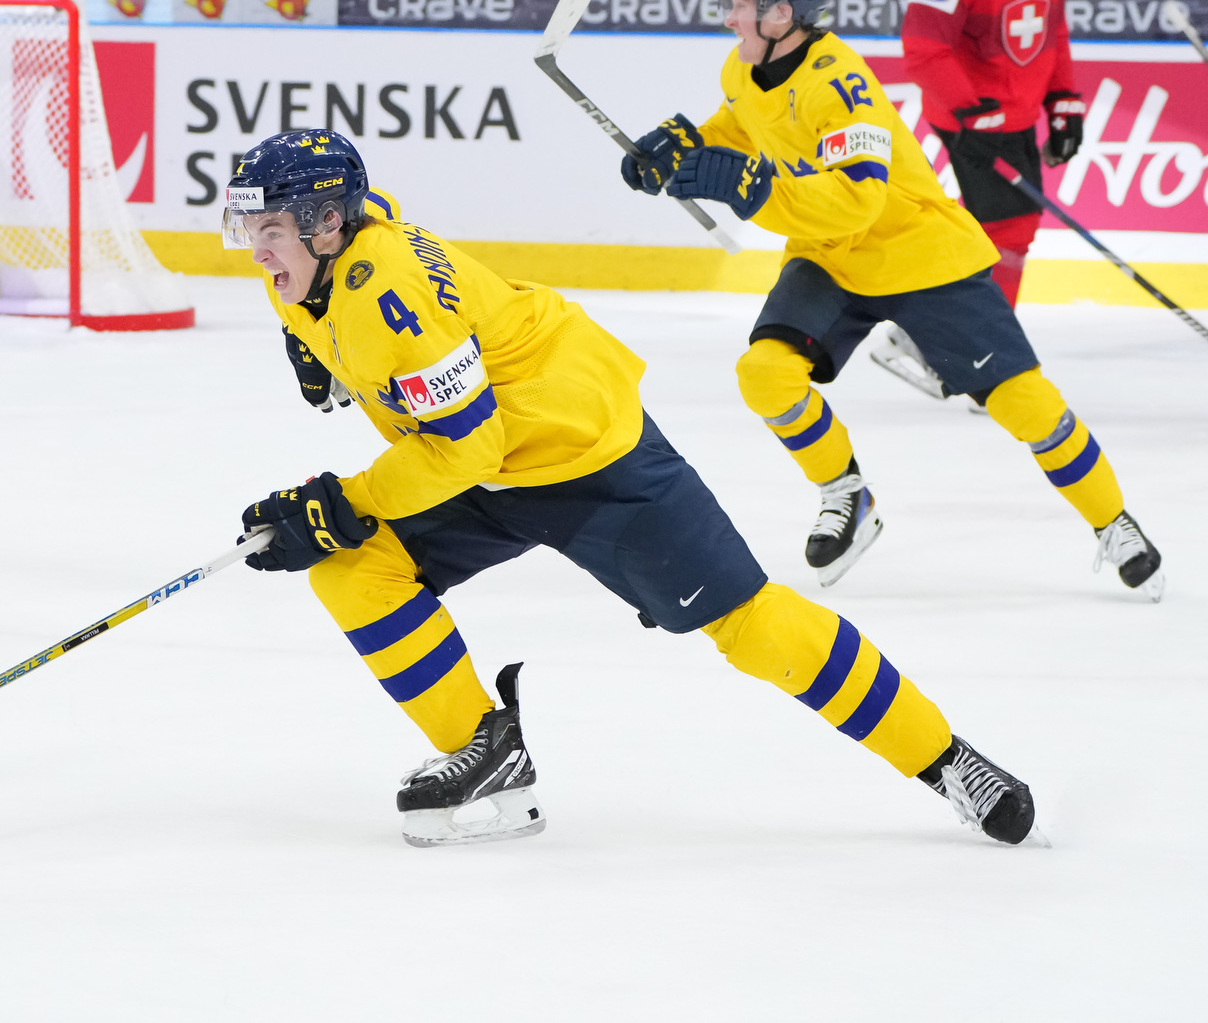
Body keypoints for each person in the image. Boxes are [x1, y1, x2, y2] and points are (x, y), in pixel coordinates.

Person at [221, 127, 1041, 850]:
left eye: (270, 231)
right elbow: (447, 409)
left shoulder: (385, 295)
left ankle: (944, 758)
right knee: (351, 566)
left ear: (330, 224)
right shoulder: (318, 259)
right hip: (489, 452)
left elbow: (467, 447)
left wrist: (347, 501)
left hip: (588, 456)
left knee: (750, 624)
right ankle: (488, 754)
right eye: (247, 229)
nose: (256, 250)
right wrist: (322, 368)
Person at [618, 0, 1162, 600]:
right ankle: (848, 494)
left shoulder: (838, 84)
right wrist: (685, 147)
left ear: (782, 13)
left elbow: (858, 200)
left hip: (916, 250)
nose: (729, 17)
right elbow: (744, 124)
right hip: (829, 255)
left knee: (1027, 404)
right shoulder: (744, 66)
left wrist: (753, 191)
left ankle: (1113, 520)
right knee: (764, 374)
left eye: (739, 4)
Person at [901, 0, 1078, 311]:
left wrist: (1064, 103)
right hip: (972, 115)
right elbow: (923, 50)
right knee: (1006, 227)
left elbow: (1051, 32)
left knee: (1006, 229)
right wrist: (968, 113)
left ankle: (953, 330)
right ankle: (967, 339)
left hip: (1016, 113)